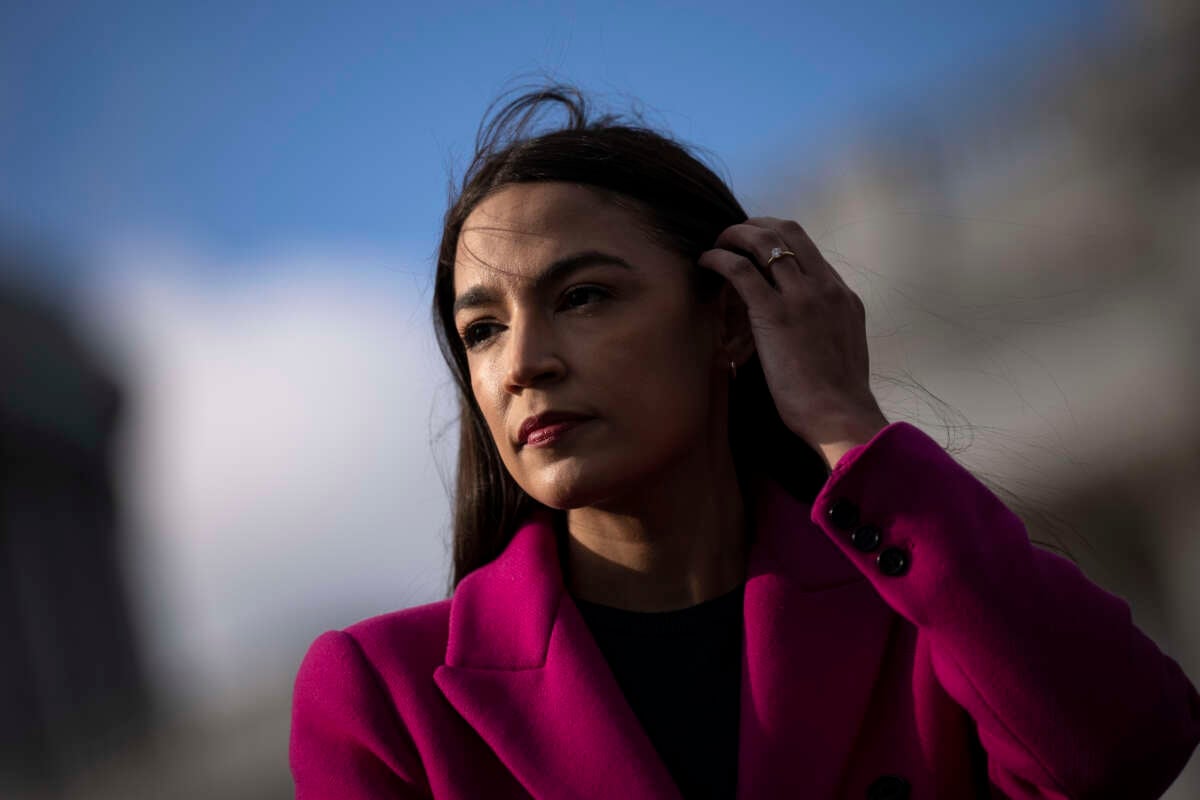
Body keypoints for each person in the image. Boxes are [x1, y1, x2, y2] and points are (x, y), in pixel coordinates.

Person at [290, 85, 1200, 799]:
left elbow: (1123, 750)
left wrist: (848, 427)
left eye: (583, 297)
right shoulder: (385, 696)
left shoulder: (923, 620)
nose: (522, 363)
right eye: (481, 329)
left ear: (729, 321)